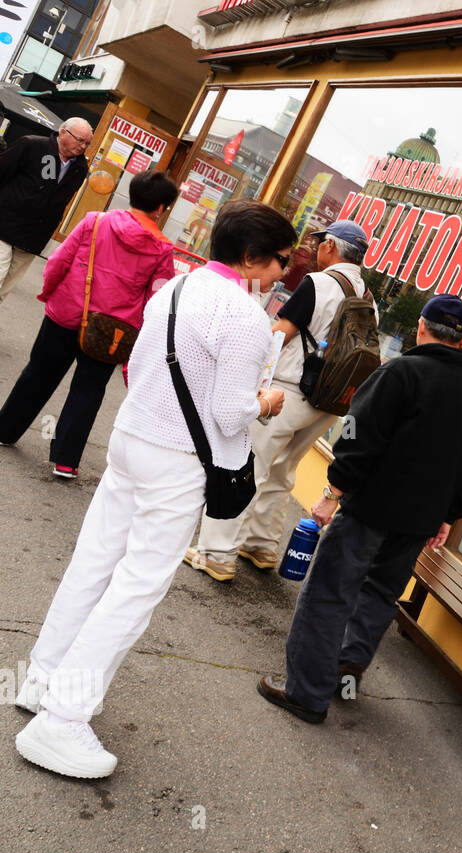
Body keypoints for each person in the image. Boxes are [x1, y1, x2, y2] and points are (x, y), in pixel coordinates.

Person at [13, 199, 296, 779]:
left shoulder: (177, 287)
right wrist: (265, 401)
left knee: (94, 563)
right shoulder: (245, 320)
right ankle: (64, 717)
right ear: (249, 257)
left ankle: (43, 677)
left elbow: (144, 361)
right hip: (178, 462)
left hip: (131, 437)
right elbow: (228, 412)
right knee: (136, 588)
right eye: (278, 262)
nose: (282, 272)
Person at [257, 293, 462, 723]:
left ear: (422, 327)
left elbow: (358, 442)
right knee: (380, 594)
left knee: (330, 593)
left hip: (371, 509)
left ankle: (307, 693)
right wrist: (449, 515)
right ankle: (345, 672)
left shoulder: (400, 372)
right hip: (418, 520)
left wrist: (332, 493)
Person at [184, 218, 374, 581]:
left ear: (331, 247)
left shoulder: (320, 283)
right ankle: (260, 544)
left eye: (320, 243)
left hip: (289, 390)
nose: (317, 249)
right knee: (284, 470)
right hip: (330, 402)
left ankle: (217, 553)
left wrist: (253, 374)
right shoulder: (368, 298)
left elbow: (280, 334)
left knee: (247, 466)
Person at [0, 171, 178, 478]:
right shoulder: (162, 249)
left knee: (39, 373)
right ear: (161, 208)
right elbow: (158, 297)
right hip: (113, 330)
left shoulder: (96, 221)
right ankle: (66, 460)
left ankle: (6, 429)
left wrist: (49, 292)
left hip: (67, 311)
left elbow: (59, 261)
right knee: (89, 390)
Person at [0, 118, 93, 304]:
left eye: (87, 143)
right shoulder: (32, 145)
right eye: (79, 140)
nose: (83, 146)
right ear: (63, 132)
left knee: (5, 289)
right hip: (4, 225)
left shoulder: (80, 168)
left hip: (33, 238)